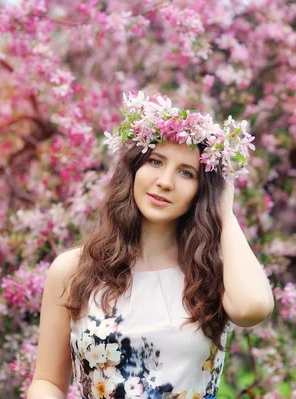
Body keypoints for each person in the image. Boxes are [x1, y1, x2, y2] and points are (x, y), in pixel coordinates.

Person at [27, 92, 274, 399]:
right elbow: (47, 381)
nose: (165, 181)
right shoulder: (73, 270)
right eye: (155, 161)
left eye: (186, 172)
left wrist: (225, 212)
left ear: (202, 190)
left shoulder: (212, 275)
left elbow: (253, 308)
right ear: (132, 169)